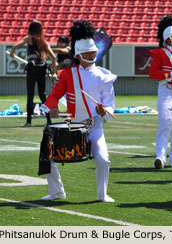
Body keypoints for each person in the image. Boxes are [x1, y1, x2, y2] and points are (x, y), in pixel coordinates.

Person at [39, 20, 117, 202]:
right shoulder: (68, 74)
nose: (92, 54)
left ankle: (102, 194)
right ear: (79, 55)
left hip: (94, 125)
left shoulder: (105, 76)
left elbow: (111, 105)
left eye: (93, 51)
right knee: (47, 154)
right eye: (87, 52)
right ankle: (57, 191)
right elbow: (55, 94)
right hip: (71, 123)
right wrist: (53, 107)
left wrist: (104, 111)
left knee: (103, 159)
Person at [149, 15, 172, 169]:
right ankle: (160, 157)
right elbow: (153, 73)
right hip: (167, 90)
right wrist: (170, 74)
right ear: (167, 39)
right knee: (165, 124)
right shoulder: (160, 53)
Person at [10, 20, 57, 127]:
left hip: (32, 68)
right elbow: (53, 57)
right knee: (42, 95)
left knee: (30, 95)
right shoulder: (44, 42)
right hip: (42, 67)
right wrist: (54, 73)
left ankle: (29, 121)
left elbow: (14, 47)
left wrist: (12, 53)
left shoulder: (29, 38)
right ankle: (49, 120)